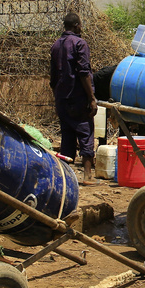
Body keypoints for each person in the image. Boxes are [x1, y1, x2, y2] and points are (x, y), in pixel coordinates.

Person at [50, 12, 97, 185]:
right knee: (86, 133)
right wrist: (91, 97)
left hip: (62, 98)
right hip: (78, 98)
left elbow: (52, 77)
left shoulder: (56, 45)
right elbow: (84, 72)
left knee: (67, 136)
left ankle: (66, 179)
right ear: (77, 25)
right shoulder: (80, 43)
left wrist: (58, 96)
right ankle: (87, 176)